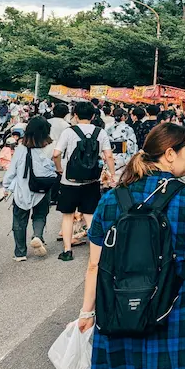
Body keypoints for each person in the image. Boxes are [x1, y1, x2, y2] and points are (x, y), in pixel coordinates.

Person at [76, 122, 185, 369]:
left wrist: (87, 312)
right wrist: (182, 281)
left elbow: (95, 264)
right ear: (169, 154)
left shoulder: (111, 199)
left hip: (119, 307)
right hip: (178, 306)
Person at [53, 101, 116, 261]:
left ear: (75, 115)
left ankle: (67, 251)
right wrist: (113, 174)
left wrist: (60, 168)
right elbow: (108, 155)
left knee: (68, 216)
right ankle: (98, 251)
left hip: (69, 180)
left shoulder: (69, 132)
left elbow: (56, 153)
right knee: (90, 215)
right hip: (91, 180)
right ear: (94, 116)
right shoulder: (100, 132)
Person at [2, 116, 55, 260]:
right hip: (43, 188)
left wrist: (6, 186)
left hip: (23, 190)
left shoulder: (21, 149)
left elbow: (12, 171)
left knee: (19, 220)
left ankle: (20, 253)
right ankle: (37, 236)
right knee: (40, 215)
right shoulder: (50, 148)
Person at [107, 108, 138, 186]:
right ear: (124, 117)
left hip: (110, 157)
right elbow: (132, 147)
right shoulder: (128, 129)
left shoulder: (108, 128)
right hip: (123, 158)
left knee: (110, 180)